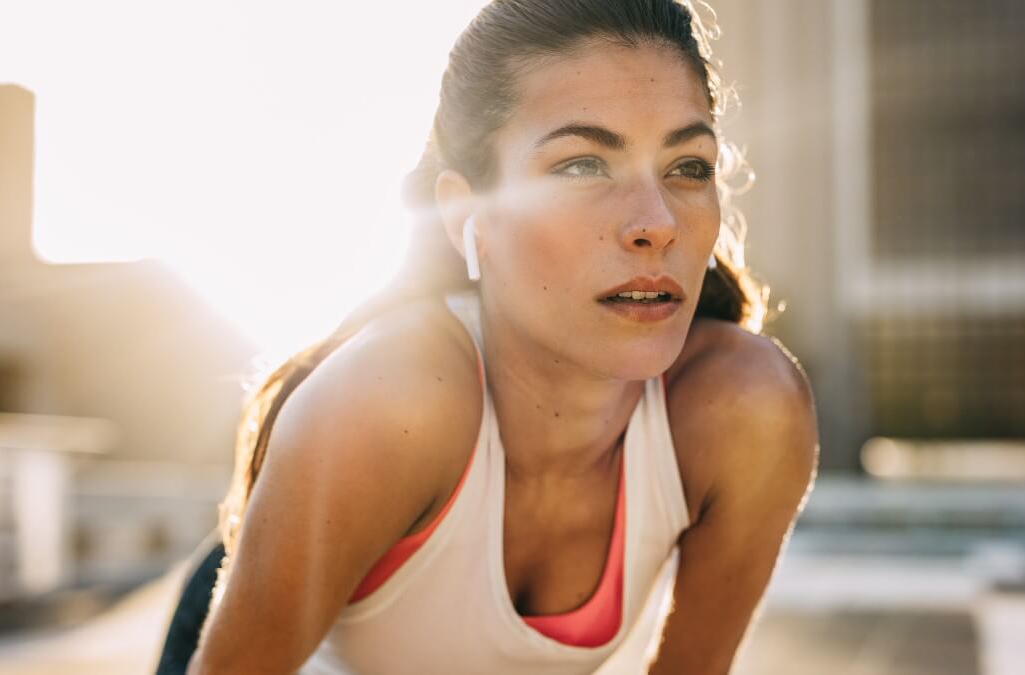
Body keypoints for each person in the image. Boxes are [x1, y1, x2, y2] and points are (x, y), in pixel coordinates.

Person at [168, 1, 818, 673]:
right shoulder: (389, 405)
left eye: (688, 167)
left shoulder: (745, 410)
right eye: (581, 165)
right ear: (466, 214)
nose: (655, 223)